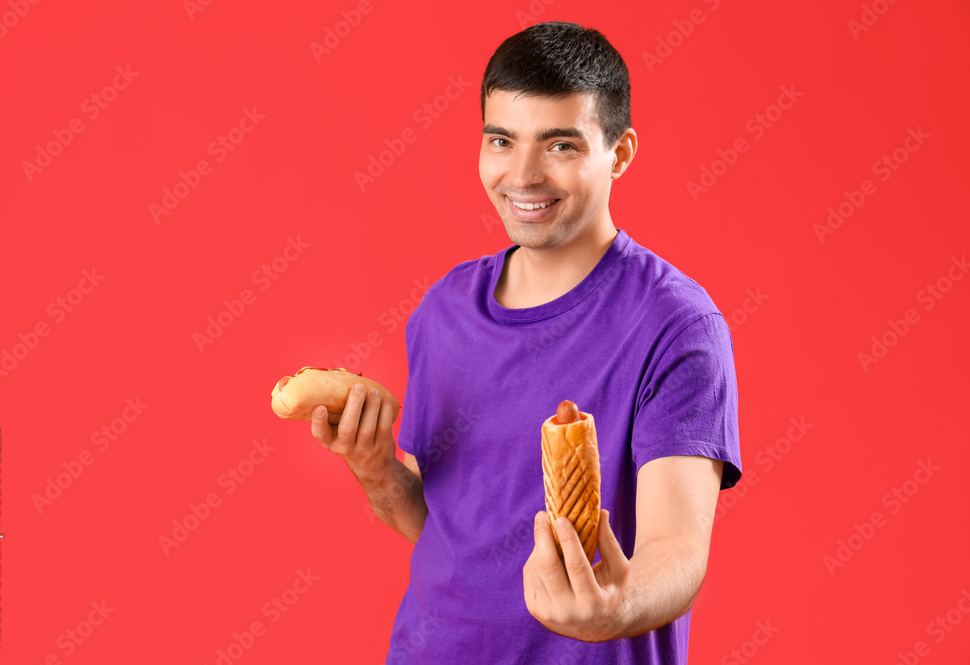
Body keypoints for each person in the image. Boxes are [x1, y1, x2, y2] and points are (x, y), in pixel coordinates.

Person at [311, 20, 742, 665]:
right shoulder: (443, 312)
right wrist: (374, 467)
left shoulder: (676, 327)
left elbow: (676, 553)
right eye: (501, 140)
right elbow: (442, 530)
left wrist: (615, 609)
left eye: (560, 145)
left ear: (619, 153)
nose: (523, 174)